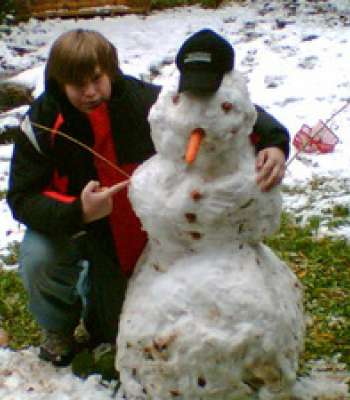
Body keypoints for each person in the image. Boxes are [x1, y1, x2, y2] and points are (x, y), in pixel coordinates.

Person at [7, 28, 289, 367]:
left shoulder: (145, 103)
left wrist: (273, 141)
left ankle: (96, 299)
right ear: (58, 82)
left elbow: (215, 108)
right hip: (78, 227)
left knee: (111, 331)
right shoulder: (40, 125)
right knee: (40, 255)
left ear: (110, 71)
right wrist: (78, 210)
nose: (90, 92)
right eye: (77, 84)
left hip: (130, 235)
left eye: (96, 79)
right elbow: (22, 197)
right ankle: (57, 327)